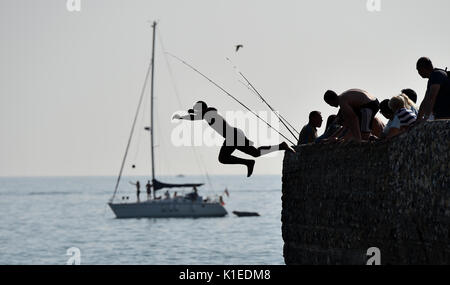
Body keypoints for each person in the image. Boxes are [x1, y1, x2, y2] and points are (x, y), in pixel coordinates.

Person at [173, 101, 295, 177]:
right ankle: (281, 146)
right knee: (256, 153)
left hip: (232, 136)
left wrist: (182, 117)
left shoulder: (209, 115)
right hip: (235, 134)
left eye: (196, 109)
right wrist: (190, 112)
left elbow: (196, 117)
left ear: (201, 109)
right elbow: (197, 115)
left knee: (222, 158)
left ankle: (248, 162)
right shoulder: (209, 114)